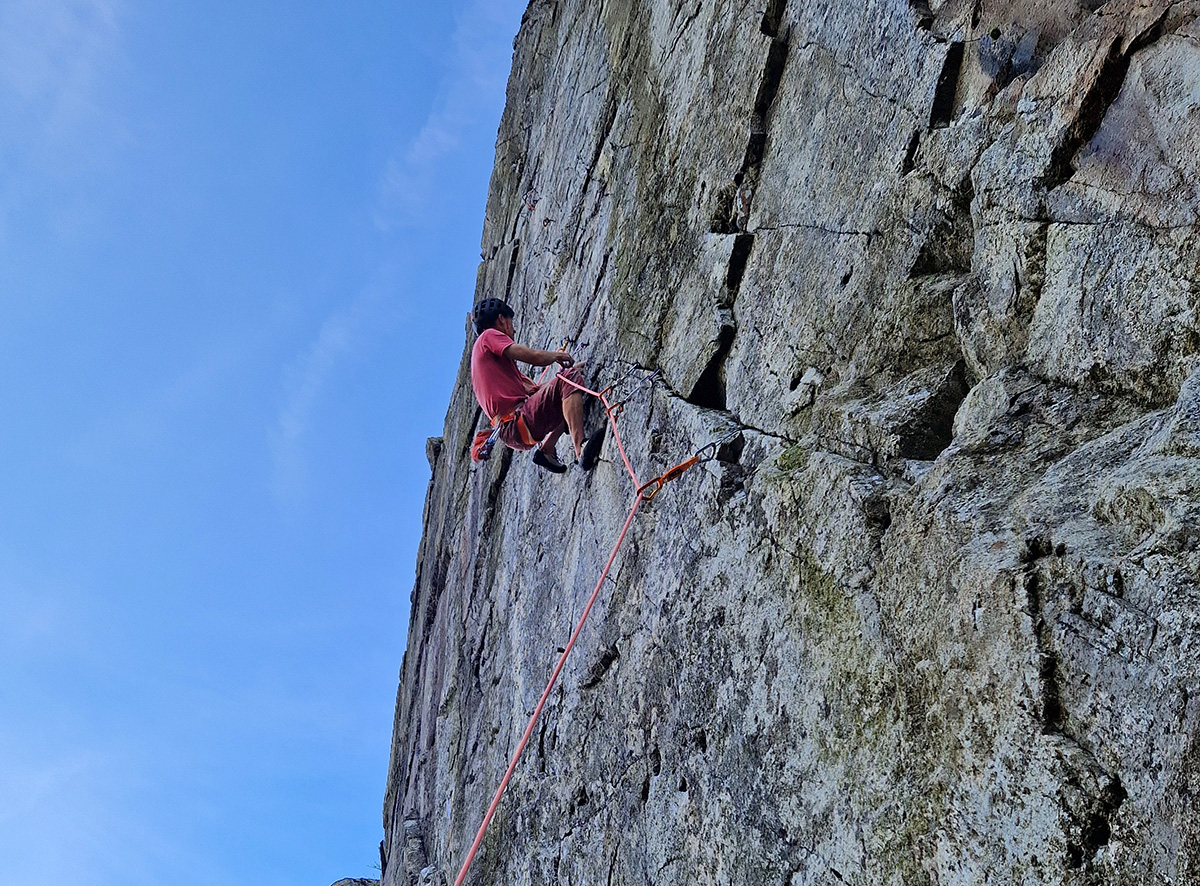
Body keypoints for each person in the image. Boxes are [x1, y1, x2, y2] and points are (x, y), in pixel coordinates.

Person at [469, 297, 605, 473]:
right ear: (502, 319)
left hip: (515, 430)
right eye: (512, 323)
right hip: (517, 421)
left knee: (566, 385)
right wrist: (556, 357)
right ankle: (581, 449)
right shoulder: (488, 336)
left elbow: (540, 392)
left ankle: (547, 450)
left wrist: (569, 377)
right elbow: (534, 357)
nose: (515, 330)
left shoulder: (496, 369)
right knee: (568, 378)